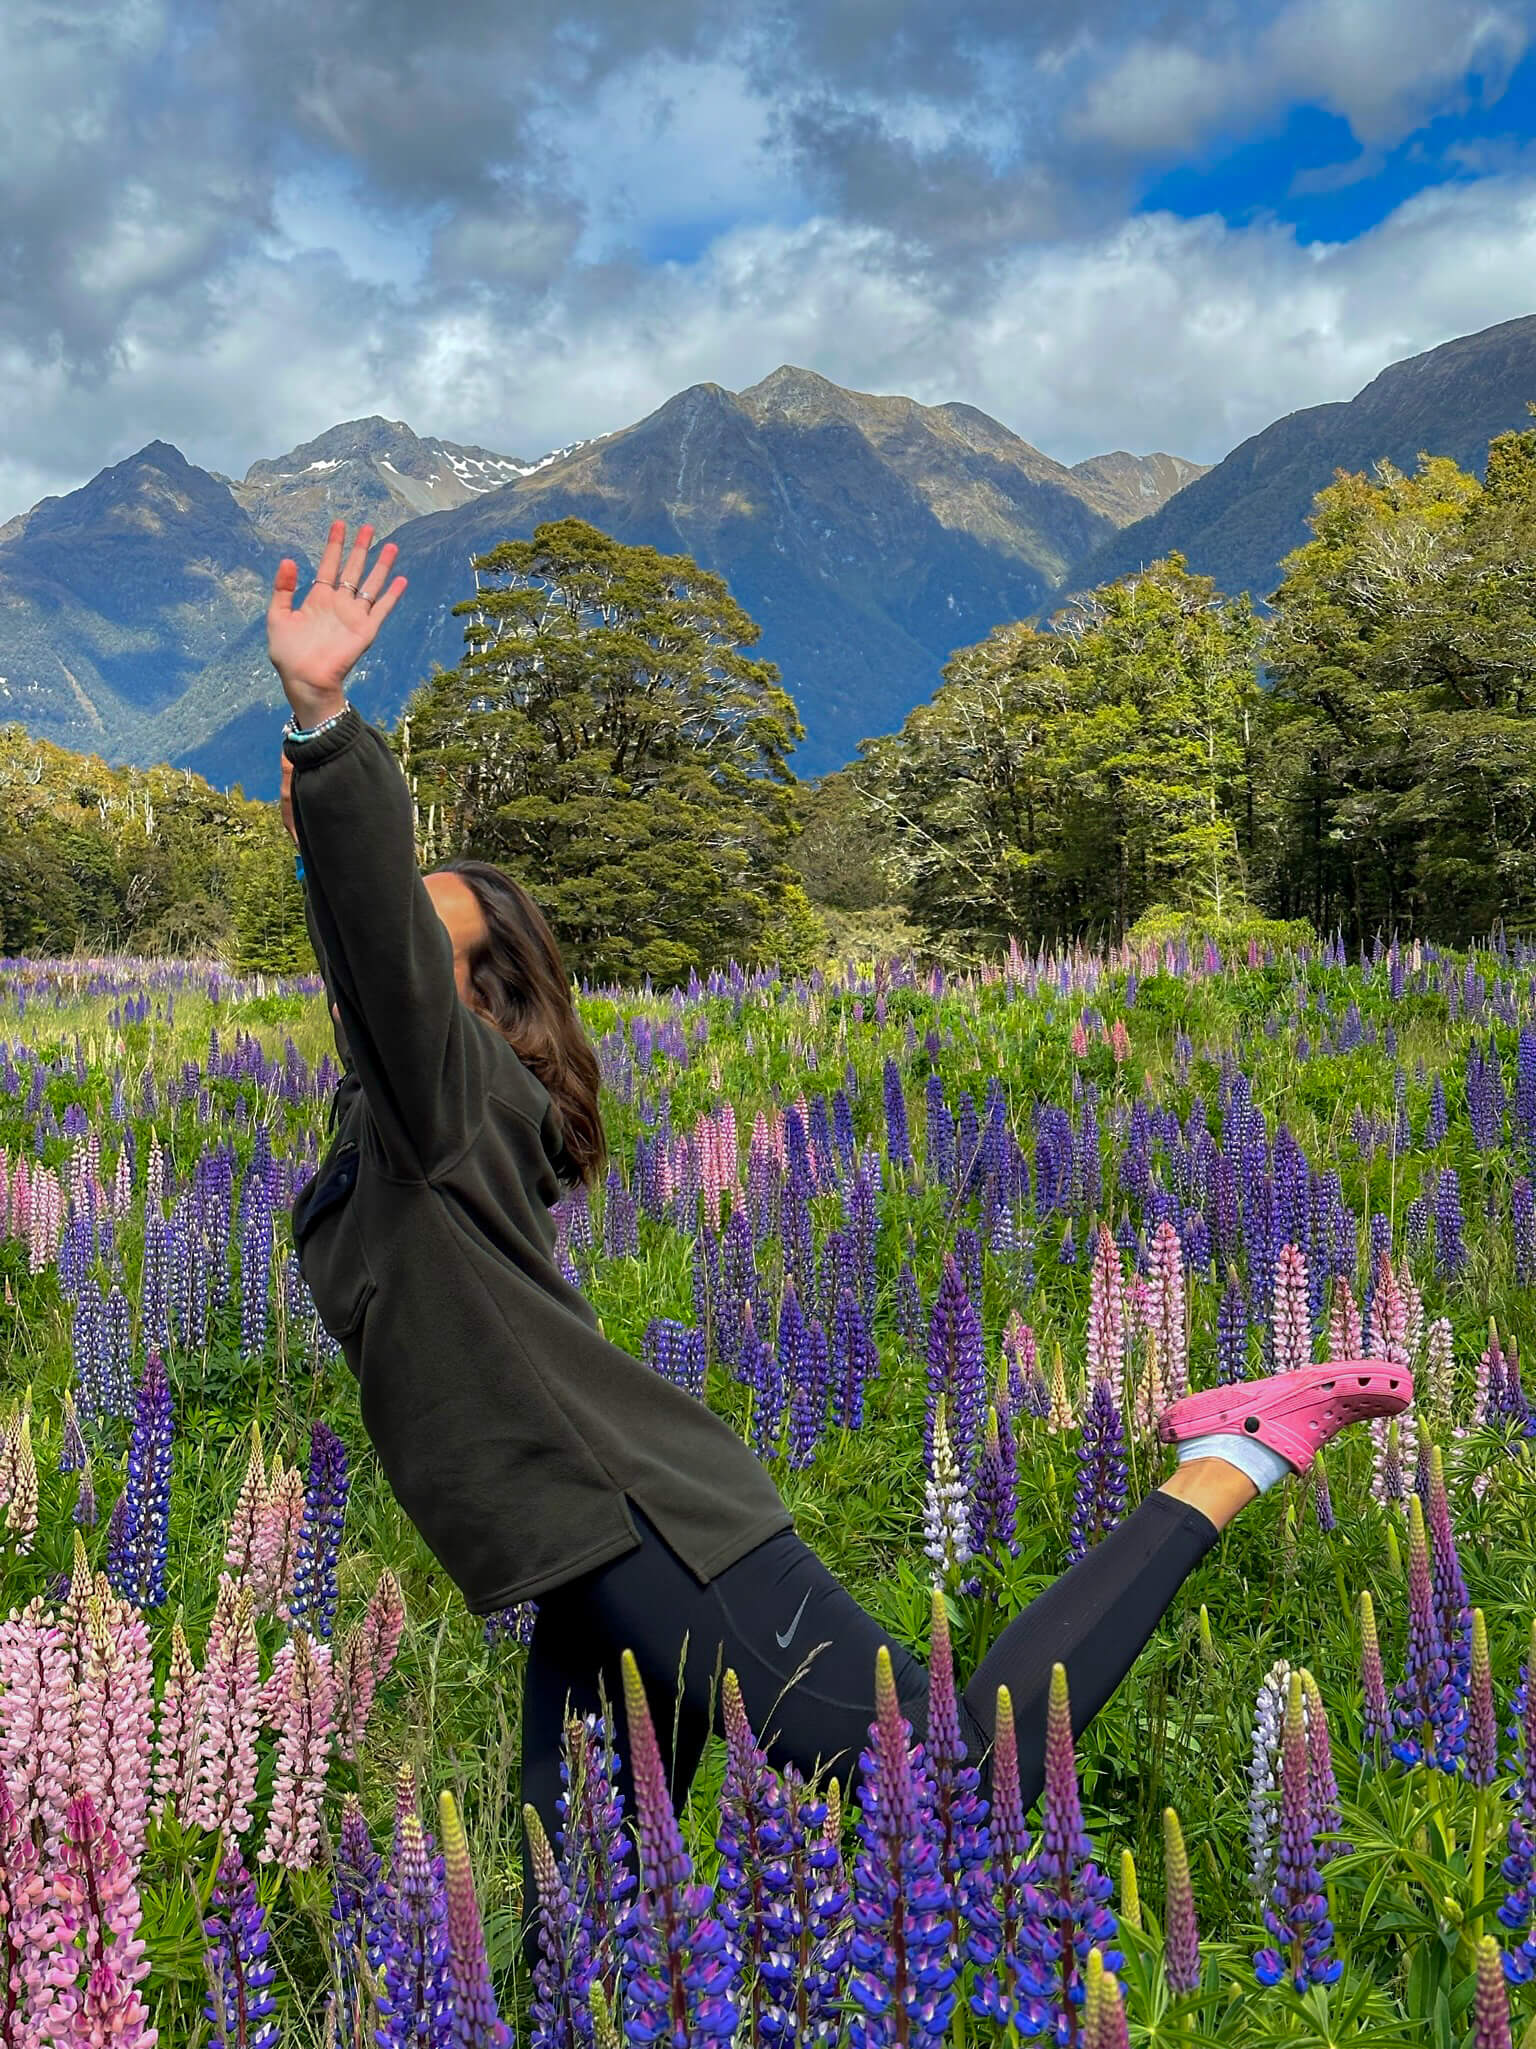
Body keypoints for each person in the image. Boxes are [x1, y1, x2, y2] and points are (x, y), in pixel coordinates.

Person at [268, 520, 1412, 1951]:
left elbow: (376, 956)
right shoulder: (399, 1120)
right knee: (578, 1918)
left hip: (646, 1521)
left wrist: (325, 727)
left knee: (947, 1774)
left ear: (480, 996)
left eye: (412, 927)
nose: (375, 932)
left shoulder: (450, 1097)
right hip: (571, 1548)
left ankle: (1234, 1455)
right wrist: (324, 845)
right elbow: (363, 954)